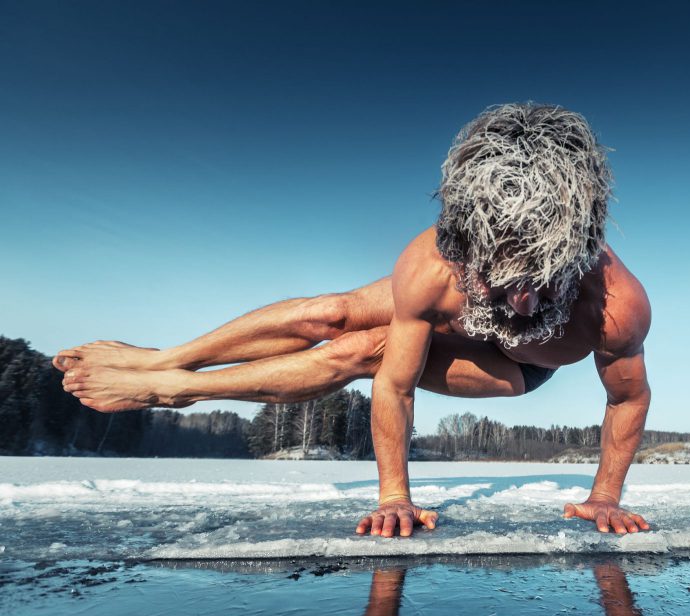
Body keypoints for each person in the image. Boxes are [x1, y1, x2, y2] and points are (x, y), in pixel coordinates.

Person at [53, 103, 653, 539]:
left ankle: (173, 387)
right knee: (331, 314)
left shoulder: (615, 307)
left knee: (364, 351)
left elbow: (626, 400)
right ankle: (160, 357)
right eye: (502, 283)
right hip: (449, 300)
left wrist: (604, 496)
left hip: (519, 367)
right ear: (467, 254)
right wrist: (395, 495)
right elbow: (398, 390)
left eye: (541, 285)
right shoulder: (431, 265)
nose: (522, 304)